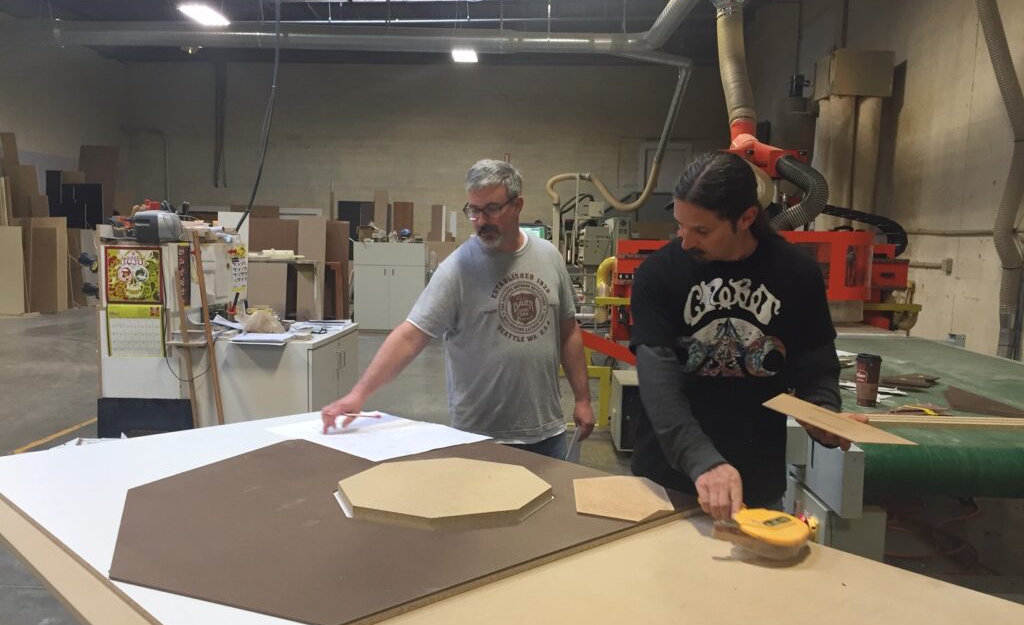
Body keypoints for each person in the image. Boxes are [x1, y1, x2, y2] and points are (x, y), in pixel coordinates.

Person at [629, 151, 861, 520]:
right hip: (667, 479)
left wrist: (823, 413)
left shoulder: (796, 274)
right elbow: (659, 385)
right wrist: (703, 461)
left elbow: (816, 364)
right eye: (680, 225)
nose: (685, 241)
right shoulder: (658, 274)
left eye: (701, 230)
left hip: (756, 481)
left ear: (746, 218)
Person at [321, 159, 595, 458]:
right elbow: (411, 336)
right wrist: (359, 394)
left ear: (517, 205)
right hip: (481, 438)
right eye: (473, 210)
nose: (480, 220)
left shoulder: (549, 257)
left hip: (548, 432)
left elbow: (568, 331)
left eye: (491, 209)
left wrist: (582, 399)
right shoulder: (457, 269)